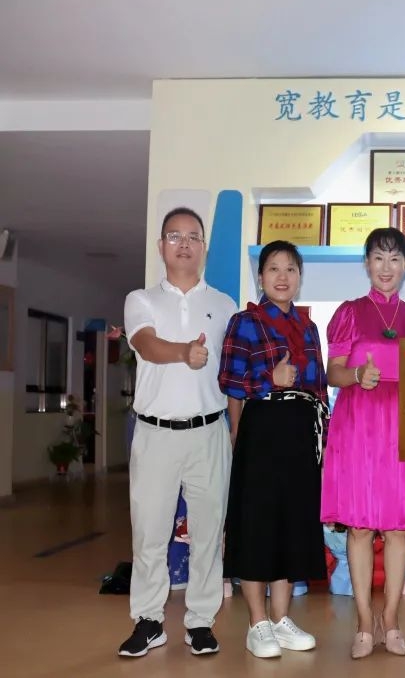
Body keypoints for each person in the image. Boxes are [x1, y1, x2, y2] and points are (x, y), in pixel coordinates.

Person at [118, 207, 237, 658]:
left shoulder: (224, 305)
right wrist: (184, 352)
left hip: (209, 432)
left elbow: (233, 375)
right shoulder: (141, 299)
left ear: (204, 247)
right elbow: (146, 344)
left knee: (208, 533)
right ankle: (149, 620)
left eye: (192, 236)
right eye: (174, 236)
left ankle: (201, 622)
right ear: (161, 246)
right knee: (149, 532)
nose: (184, 244)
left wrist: (235, 431)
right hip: (155, 434)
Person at [320, 228, 405, 659]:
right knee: (359, 527)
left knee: (398, 527)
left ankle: (391, 620)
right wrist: (356, 375)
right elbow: (331, 372)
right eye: (378, 258)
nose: (386, 268)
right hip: (359, 426)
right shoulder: (349, 312)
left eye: (395, 259)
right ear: (366, 263)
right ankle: (363, 621)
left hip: (403, 426)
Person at [218, 240, 328, 658]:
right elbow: (230, 381)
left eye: (291, 269)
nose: (283, 277)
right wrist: (270, 381)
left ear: (300, 277)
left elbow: (319, 388)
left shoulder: (308, 327)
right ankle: (256, 622)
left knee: (291, 524)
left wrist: (324, 437)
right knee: (257, 524)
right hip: (261, 427)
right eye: (274, 269)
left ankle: (281, 620)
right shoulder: (245, 321)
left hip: (301, 431)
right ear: (261, 276)